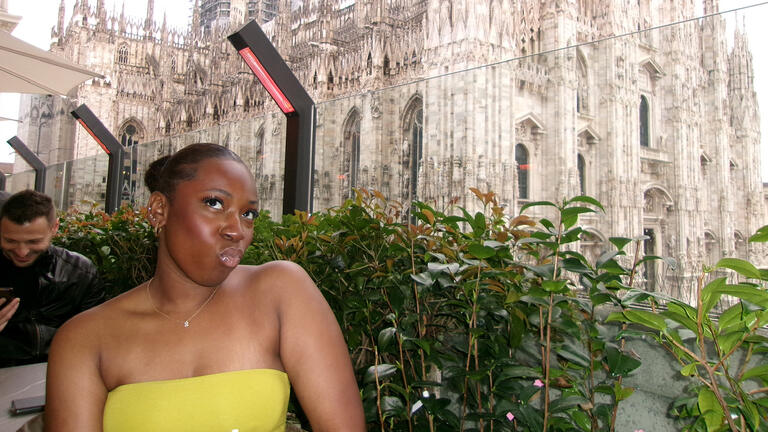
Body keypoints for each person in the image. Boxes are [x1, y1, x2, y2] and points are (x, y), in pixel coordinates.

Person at [45, 143, 365, 431]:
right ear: (159, 210)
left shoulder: (281, 291)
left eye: (249, 213)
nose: (237, 230)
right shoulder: (84, 339)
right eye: (214, 203)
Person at [0, 190, 104, 367]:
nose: (22, 252)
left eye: (33, 242)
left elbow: (97, 341)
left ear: (54, 228)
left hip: (62, 370)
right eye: (10, 241)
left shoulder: (80, 272)